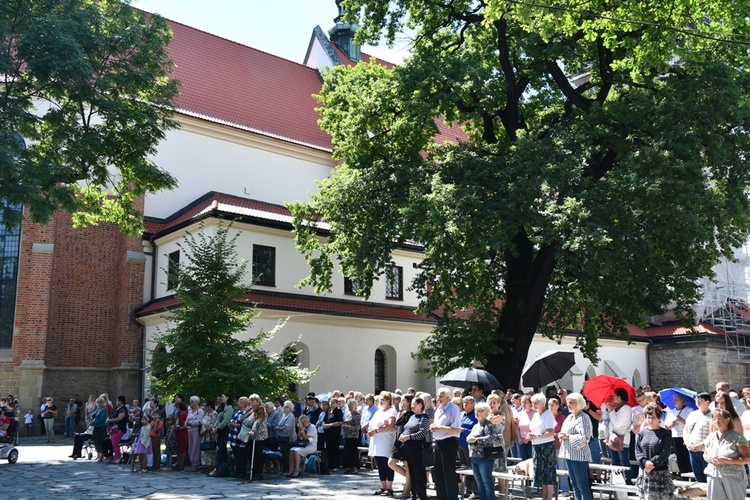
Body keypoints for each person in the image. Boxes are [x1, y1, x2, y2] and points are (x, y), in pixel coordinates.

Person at [703, 408, 750, 499]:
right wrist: (710, 458)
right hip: (713, 474)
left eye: (719, 418)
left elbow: (747, 458)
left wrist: (725, 460)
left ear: (728, 420)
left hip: (733, 475)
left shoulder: (737, 437)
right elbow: (705, 454)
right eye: (714, 419)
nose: (716, 421)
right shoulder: (710, 437)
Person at [635, 403, 674, 500]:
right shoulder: (642, 433)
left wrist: (651, 463)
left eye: (653, 418)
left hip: (660, 474)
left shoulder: (665, 434)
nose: (650, 420)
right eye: (648, 417)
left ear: (659, 418)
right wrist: (644, 462)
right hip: (645, 472)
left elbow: (665, 452)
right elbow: (637, 451)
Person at [559, 392, 593, 500]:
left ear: (578, 403)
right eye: (568, 402)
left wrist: (567, 437)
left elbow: (584, 438)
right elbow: (564, 432)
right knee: (574, 483)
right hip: (569, 454)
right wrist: (561, 435)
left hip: (579, 456)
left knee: (582, 485)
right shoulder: (570, 417)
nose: (568, 405)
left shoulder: (584, 417)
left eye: (571, 403)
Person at [430, 387, 462, 500]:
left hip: (449, 442)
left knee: (448, 471)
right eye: (438, 396)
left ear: (448, 397)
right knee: (438, 471)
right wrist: (434, 428)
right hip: (438, 442)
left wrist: (439, 428)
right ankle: (441, 496)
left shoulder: (453, 409)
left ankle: (452, 497)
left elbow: (456, 429)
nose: (438, 398)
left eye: (441, 396)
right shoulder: (438, 409)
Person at [467, 402, 502, 500]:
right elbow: (470, 436)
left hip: (484, 458)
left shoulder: (488, 424)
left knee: (487, 482)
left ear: (486, 413)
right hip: (474, 457)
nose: (476, 412)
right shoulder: (476, 425)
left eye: (480, 411)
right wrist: (469, 438)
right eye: (476, 410)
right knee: (479, 483)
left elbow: (491, 438)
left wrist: (477, 440)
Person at [368, 391, 399, 496]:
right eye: (380, 400)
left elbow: (390, 426)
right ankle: (383, 486)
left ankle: (389, 487)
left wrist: (376, 430)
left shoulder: (392, 411)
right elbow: (372, 423)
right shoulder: (378, 411)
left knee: (387, 463)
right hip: (377, 440)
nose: (380, 402)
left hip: (386, 440)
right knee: (380, 464)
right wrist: (371, 430)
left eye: (383, 400)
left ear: (389, 401)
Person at [400, 396, 430, 500]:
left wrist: (409, 437)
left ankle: (421, 495)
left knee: (419, 471)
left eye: (413, 404)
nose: (411, 406)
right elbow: (406, 428)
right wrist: (403, 435)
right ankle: (413, 494)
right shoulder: (412, 416)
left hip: (417, 447)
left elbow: (423, 432)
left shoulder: (424, 418)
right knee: (411, 470)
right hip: (408, 446)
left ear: (420, 405)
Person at [528, 393, 557, 500]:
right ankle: (544, 497)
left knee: (548, 473)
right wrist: (530, 435)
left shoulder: (548, 414)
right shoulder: (536, 414)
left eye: (536, 403)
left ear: (543, 403)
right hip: (536, 445)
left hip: (546, 446)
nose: (534, 405)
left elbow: (551, 432)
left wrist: (537, 436)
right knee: (541, 472)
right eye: (533, 403)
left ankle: (548, 497)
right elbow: (535, 429)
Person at [603, 387, 633, 482]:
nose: (613, 397)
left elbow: (618, 423)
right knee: (615, 463)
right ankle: (618, 482)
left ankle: (628, 481)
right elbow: (611, 422)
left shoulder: (627, 408)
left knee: (624, 462)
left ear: (620, 397)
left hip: (622, 440)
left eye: (615, 396)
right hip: (613, 439)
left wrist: (611, 412)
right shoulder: (617, 408)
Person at [683, 392, 711, 483]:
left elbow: (713, 435)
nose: (698, 401)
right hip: (692, 450)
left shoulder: (713, 416)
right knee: (698, 476)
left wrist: (701, 445)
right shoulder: (692, 414)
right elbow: (686, 430)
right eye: (696, 399)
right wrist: (687, 443)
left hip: (706, 451)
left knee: (709, 476)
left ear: (707, 402)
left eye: (700, 400)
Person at [390, 394, 414, 499]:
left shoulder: (411, 414)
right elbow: (397, 423)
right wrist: (400, 410)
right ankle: (413, 480)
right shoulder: (403, 412)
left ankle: (407, 491)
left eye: (404, 401)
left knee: (407, 465)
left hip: (406, 442)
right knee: (391, 463)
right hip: (398, 441)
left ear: (409, 402)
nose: (402, 402)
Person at [69, 396, 108, 461]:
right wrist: (91, 422)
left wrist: (94, 423)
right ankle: (76, 453)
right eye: (97, 403)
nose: (98, 404)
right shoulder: (98, 409)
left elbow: (102, 419)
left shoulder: (104, 409)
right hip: (94, 428)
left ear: (102, 402)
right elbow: (93, 417)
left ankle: (100, 455)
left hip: (100, 427)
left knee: (98, 441)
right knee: (77, 436)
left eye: (99, 403)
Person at [664, 393, 691, 475]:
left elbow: (691, 424)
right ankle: (683, 474)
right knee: (679, 457)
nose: (674, 401)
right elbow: (667, 426)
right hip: (675, 436)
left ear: (682, 401)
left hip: (685, 436)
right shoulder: (672, 412)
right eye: (674, 399)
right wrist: (671, 424)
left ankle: (690, 473)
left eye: (676, 399)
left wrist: (681, 420)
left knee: (687, 456)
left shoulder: (689, 410)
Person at [548, 396, 570, 495]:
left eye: (552, 405)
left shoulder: (562, 418)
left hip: (560, 446)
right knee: (552, 468)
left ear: (558, 406)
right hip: (549, 446)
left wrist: (555, 434)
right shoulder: (547, 417)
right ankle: (553, 489)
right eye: (549, 405)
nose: (550, 407)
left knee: (562, 468)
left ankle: (565, 489)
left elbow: (565, 432)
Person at [458, 395, 478, 499]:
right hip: (460, 445)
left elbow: (476, 431)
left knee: (472, 468)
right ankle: (467, 489)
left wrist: (463, 430)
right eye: (464, 402)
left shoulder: (475, 416)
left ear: (473, 404)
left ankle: (475, 491)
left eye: (467, 403)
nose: (465, 404)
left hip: (469, 445)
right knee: (465, 468)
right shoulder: (461, 414)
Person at [227, 396, 251, 478]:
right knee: (236, 454)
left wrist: (234, 425)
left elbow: (245, 425)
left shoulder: (246, 413)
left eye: (240, 402)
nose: (238, 403)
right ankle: (237, 470)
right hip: (234, 436)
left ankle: (242, 471)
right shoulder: (237, 412)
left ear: (244, 404)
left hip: (240, 437)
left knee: (242, 455)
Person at [211, 393, 234, 476]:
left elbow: (226, 420)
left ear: (228, 398)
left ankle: (222, 468)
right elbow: (218, 419)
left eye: (223, 397)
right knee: (220, 449)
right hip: (220, 431)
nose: (222, 398)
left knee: (222, 449)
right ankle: (220, 468)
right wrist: (215, 426)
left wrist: (218, 427)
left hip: (225, 430)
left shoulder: (230, 408)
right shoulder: (222, 408)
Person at [275, 400, 296, 474]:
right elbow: (279, 423)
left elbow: (287, 428)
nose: (284, 408)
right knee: (282, 454)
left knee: (287, 454)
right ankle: (283, 469)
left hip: (287, 438)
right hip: (281, 437)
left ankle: (287, 469)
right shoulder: (283, 415)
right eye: (284, 406)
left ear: (290, 408)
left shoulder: (291, 416)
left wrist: (279, 428)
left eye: (286, 407)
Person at [323, 396, 344, 471]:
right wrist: (324, 424)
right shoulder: (328, 411)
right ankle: (330, 465)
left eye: (333, 403)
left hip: (335, 433)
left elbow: (339, 422)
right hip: (328, 433)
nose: (331, 404)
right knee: (328, 449)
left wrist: (330, 425)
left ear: (337, 404)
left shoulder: (338, 412)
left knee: (335, 449)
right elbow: (325, 420)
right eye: (330, 402)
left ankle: (336, 465)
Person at [106, 396, 128, 464]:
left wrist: (110, 420)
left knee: (115, 443)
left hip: (119, 429)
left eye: (117, 400)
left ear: (120, 401)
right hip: (113, 429)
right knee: (113, 443)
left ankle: (118, 458)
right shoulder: (117, 409)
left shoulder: (123, 409)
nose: (116, 402)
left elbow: (119, 418)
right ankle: (115, 457)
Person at [342, 399, 361, 474]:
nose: (350, 408)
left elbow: (357, 428)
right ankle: (349, 467)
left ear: (355, 407)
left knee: (353, 452)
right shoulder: (348, 415)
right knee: (348, 452)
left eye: (351, 407)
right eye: (349, 407)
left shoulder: (357, 415)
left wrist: (347, 426)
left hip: (353, 436)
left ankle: (355, 467)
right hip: (347, 436)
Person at [185, 396, 204, 472]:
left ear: (197, 402)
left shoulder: (200, 411)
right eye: (191, 401)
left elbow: (200, 421)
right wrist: (188, 423)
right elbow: (186, 421)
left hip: (196, 430)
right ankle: (192, 462)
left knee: (195, 446)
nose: (191, 403)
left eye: (193, 401)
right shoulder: (190, 412)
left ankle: (195, 463)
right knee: (190, 446)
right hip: (189, 430)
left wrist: (191, 423)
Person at [201, 401, 218, 475]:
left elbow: (213, 424)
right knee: (205, 451)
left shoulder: (214, 413)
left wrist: (206, 430)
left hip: (211, 434)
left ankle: (212, 466)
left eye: (205, 406)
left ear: (209, 406)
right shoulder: (206, 414)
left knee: (211, 451)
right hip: (204, 435)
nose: (204, 408)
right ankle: (207, 466)